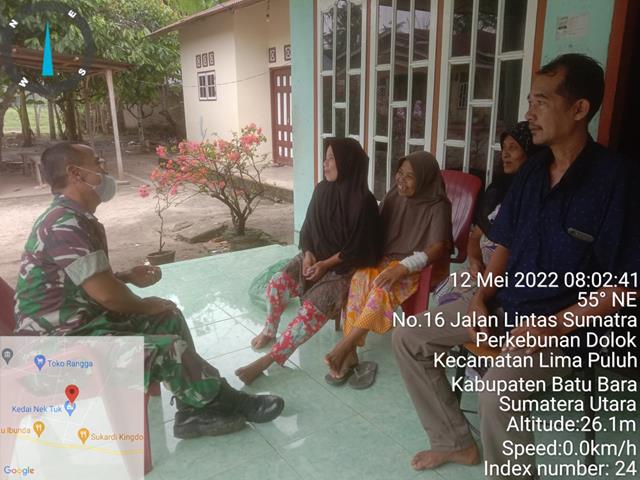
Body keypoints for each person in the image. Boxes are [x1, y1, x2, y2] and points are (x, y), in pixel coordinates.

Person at [392, 53, 640, 478]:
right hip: (505, 305)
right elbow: (504, 240)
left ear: (579, 109)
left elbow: (625, 285)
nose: (529, 113)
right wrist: (481, 297)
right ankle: (454, 442)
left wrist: (551, 327)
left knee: (497, 391)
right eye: (530, 101)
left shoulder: (618, 180)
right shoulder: (532, 172)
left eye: (541, 101)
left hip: (568, 330)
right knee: (408, 336)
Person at [13, 142, 284, 439]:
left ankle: (193, 409)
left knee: (168, 316)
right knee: (167, 346)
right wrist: (145, 305)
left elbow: (78, 282)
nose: (103, 169)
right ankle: (231, 401)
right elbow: (106, 295)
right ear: (76, 173)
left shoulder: (73, 218)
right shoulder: (63, 225)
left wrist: (126, 277)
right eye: (97, 163)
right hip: (57, 354)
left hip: (82, 328)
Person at [235, 138, 381, 385]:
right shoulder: (322, 190)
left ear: (347, 162)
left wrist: (325, 265)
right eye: (325, 157)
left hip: (342, 270)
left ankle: (268, 360)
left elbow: (358, 248)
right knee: (277, 283)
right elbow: (309, 228)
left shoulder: (364, 202)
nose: (325, 163)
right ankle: (269, 331)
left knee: (310, 312)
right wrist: (309, 255)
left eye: (331, 158)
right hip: (314, 258)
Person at [324, 151, 452, 387]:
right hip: (386, 257)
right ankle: (350, 353)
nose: (401, 180)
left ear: (424, 178)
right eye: (400, 173)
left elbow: (437, 248)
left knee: (381, 288)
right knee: (360, 278)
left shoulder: (438, 205)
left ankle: (345, 345)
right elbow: (377, 226)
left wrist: (404, 267)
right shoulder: (395, 194)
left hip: (414, 265)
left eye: (410, 176)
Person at [434, 121, 540, 307]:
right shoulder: (498, 189)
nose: (505, 154)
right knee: (444, 291)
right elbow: (475, 236)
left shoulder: (537, 198)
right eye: (503, 148)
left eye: (513, 148)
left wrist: (488, 281)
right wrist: (475, 261)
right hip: (482, 271)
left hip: (510, 279)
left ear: (531, 153)